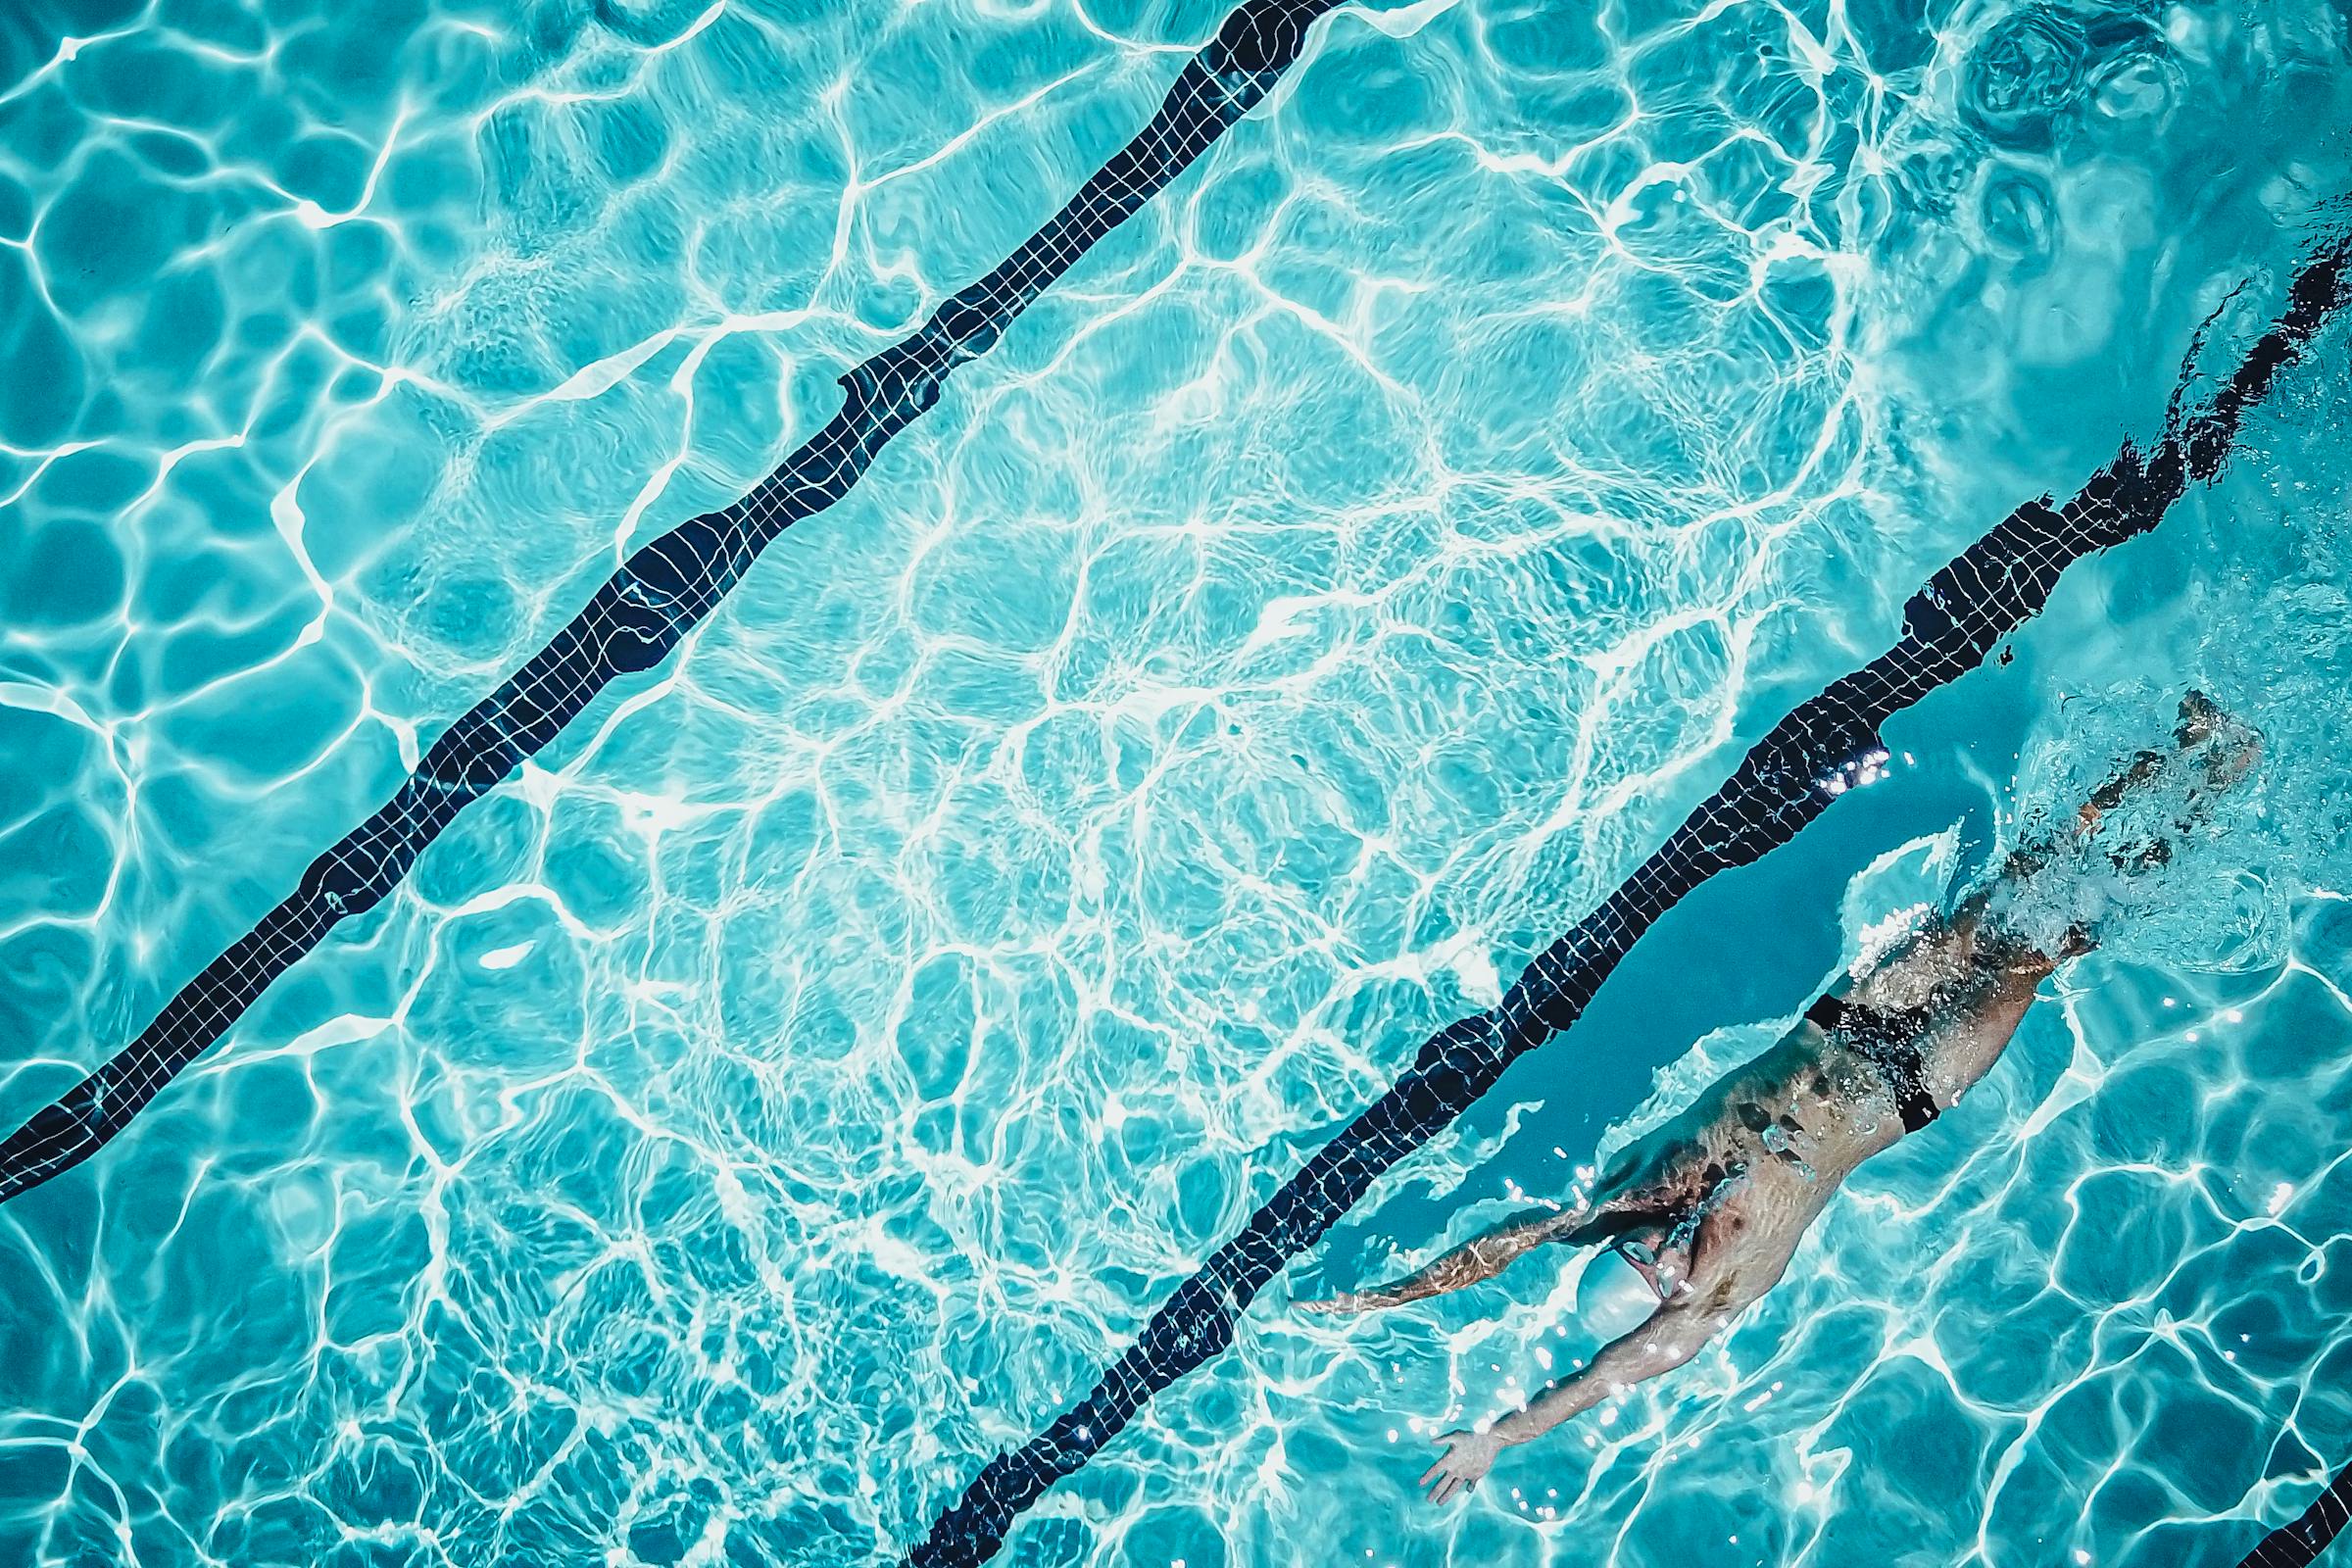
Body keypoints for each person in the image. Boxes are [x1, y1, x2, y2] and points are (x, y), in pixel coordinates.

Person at [1295, 693, 2261, 1504]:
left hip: (1849, 1022)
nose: (1661, 1251)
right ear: (1666, 1299)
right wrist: (1498, 1439)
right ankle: (2211, 795)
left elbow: (1511, 1240)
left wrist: (1391, 1294)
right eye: (1656, 1274)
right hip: (1913, 1089)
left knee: (2011, 897)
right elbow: (1597, 1379)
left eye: (1636, 1250)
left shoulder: (1635, 1193)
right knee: (2047, 947)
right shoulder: (1717, 1294)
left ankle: (2168, 758)